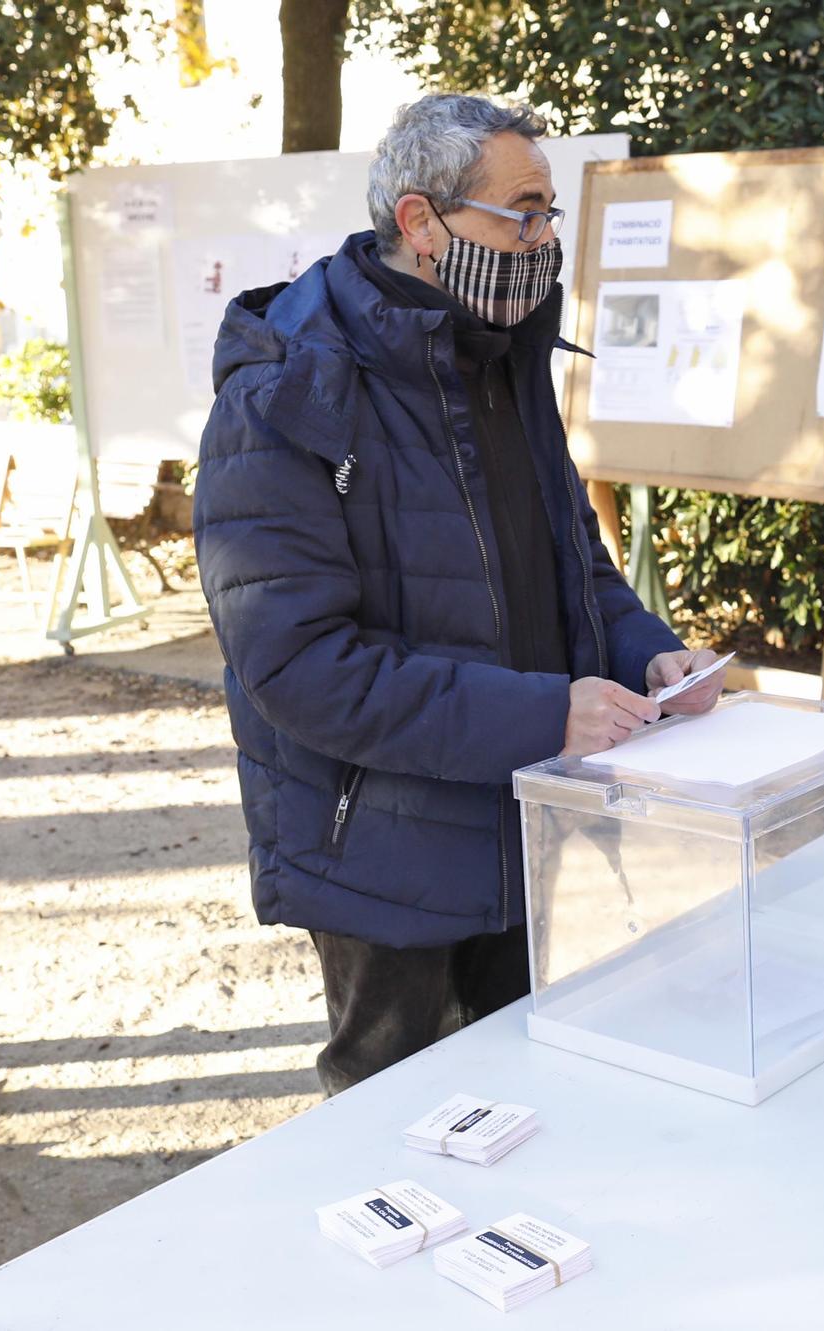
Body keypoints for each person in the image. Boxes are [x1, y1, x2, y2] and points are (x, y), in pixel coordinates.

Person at [193, 95, 726, 1095]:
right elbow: (298, 666)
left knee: (527, 1106)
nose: (542, 240)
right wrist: (543, 712)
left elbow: (579, 572)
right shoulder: (285, 391)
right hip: (382, 854)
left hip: (532, 820)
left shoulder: (503, 360)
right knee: (392, 1134)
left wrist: (647, 651)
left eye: (550, 215)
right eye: (521, 213)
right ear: (419, 222)